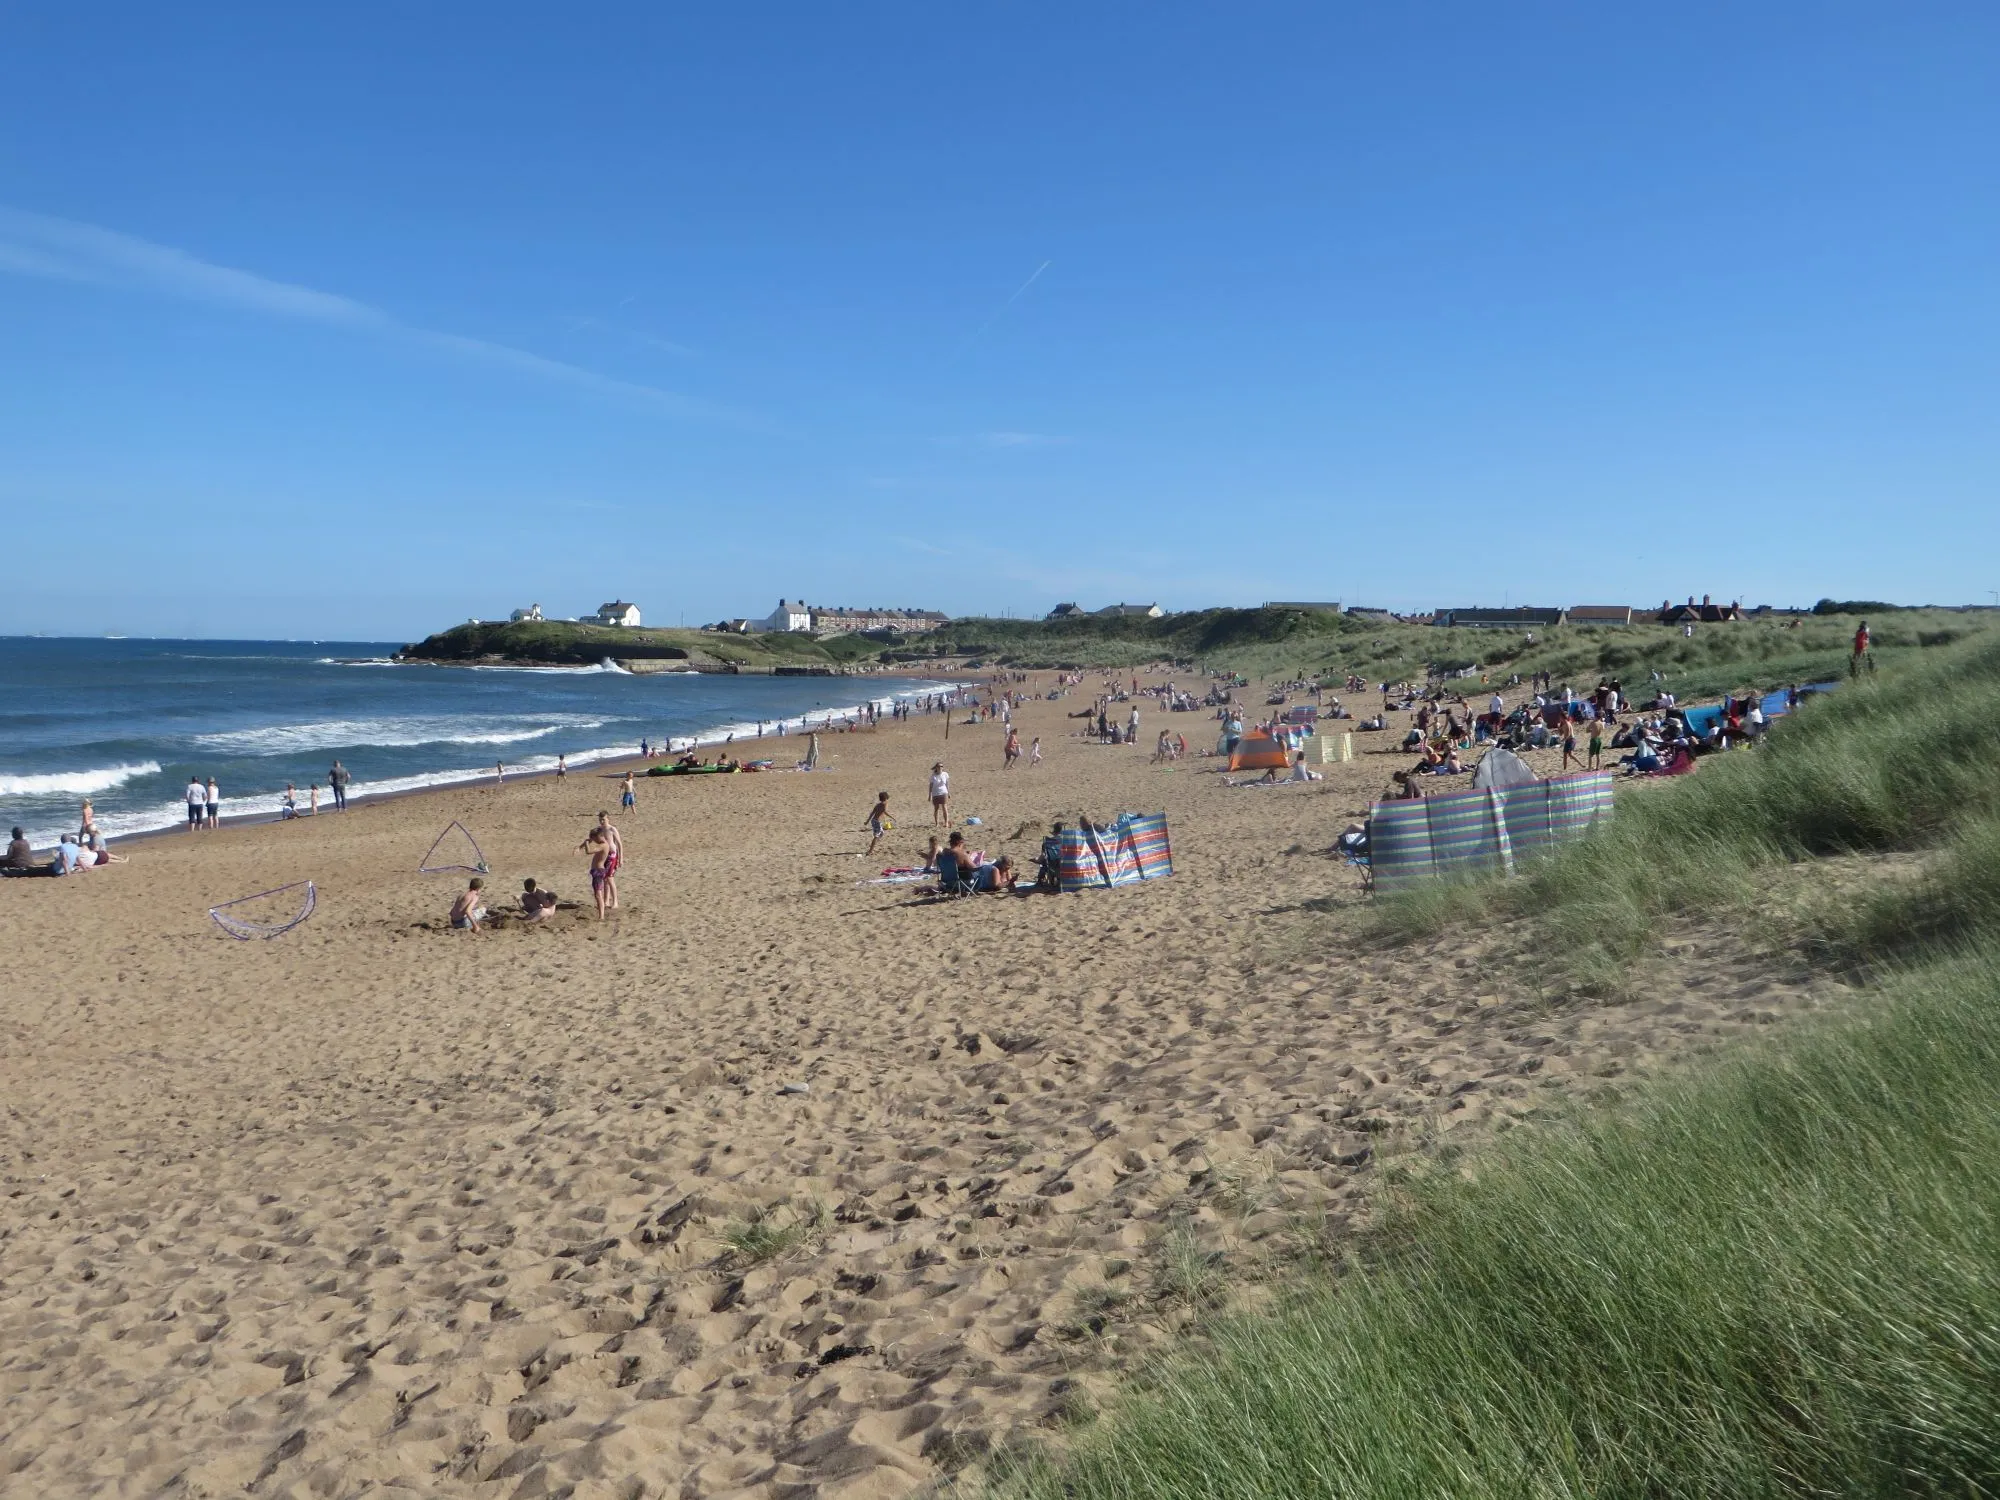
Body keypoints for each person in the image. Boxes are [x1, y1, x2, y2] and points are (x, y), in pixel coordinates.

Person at [581, 811, 622, 910]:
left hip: (612, 855)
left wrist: (621, 858)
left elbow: (619, 844)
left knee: (610, 878)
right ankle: (606, 900)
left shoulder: (612, 829)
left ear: (608, 818)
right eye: (600, 820)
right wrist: (580, 847)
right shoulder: (599, 830)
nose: (602, 821)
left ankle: (615, 901)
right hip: (604, 855)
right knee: (604, 878)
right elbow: (590, 839)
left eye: (603, 819)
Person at [582, 828, 615, 919]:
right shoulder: (603, 844)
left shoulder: (603, 845)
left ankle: (601, 916)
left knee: (598, 894)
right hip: (598, 871)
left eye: (595, 839)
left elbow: (588, 852)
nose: (595, 841)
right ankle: (601, 915)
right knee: (598, 894)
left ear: (600, 836)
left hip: (598, 871)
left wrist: (586, 843)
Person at [864, 790, 893, 855]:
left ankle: (873, 846)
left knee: (881, 833)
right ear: (886, 798)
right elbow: (884, 811)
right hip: (877, 822)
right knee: (876, 836)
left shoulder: (877, 805)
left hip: (873, 821)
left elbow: (872, 813)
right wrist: (891, 817)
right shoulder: (885, 804)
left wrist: (867, 821)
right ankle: (870, 851)